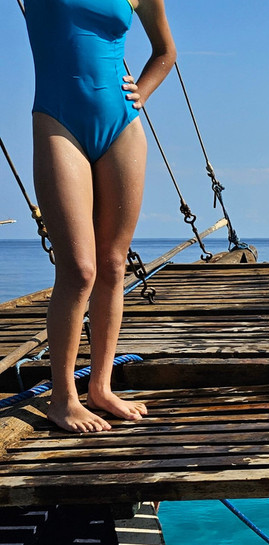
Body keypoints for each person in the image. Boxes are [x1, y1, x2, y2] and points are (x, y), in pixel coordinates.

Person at [25, 0, 177, 432]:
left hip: (122, 124)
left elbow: (165, 51)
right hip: (58, 121)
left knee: (113, 263)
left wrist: (141, 94)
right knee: (78, 269)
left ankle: (101, 387)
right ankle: (63, 399)